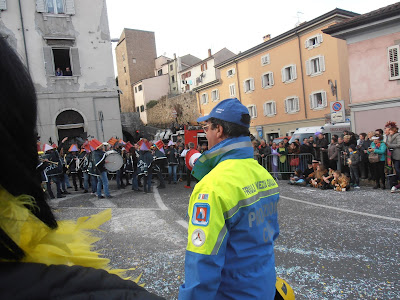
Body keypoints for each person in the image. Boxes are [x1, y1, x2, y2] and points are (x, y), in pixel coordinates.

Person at [0, 37, 163, 299]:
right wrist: (90, 163)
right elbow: (91, 163)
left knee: (98, 183)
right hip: (87, 174)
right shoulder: (99, 291)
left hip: (93, 173)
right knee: (93, 183)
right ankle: (102, 194)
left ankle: (103, 193)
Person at [179, 98, 280, 299]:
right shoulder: (262, 173)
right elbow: (271, 234)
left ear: (219, 130)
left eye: (207, 127)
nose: (205, 133)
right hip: (263, 286)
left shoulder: (212, 187)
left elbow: (203, 261)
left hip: (232, 293)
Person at [386, 123, 400, 191]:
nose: (389, 132)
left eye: (391, 131)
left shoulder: (398, 136)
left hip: (397, 154)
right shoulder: (389, 136)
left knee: (397, 168)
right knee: (395, 168)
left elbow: (399, 144)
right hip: (392, 154)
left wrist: (390, 145)